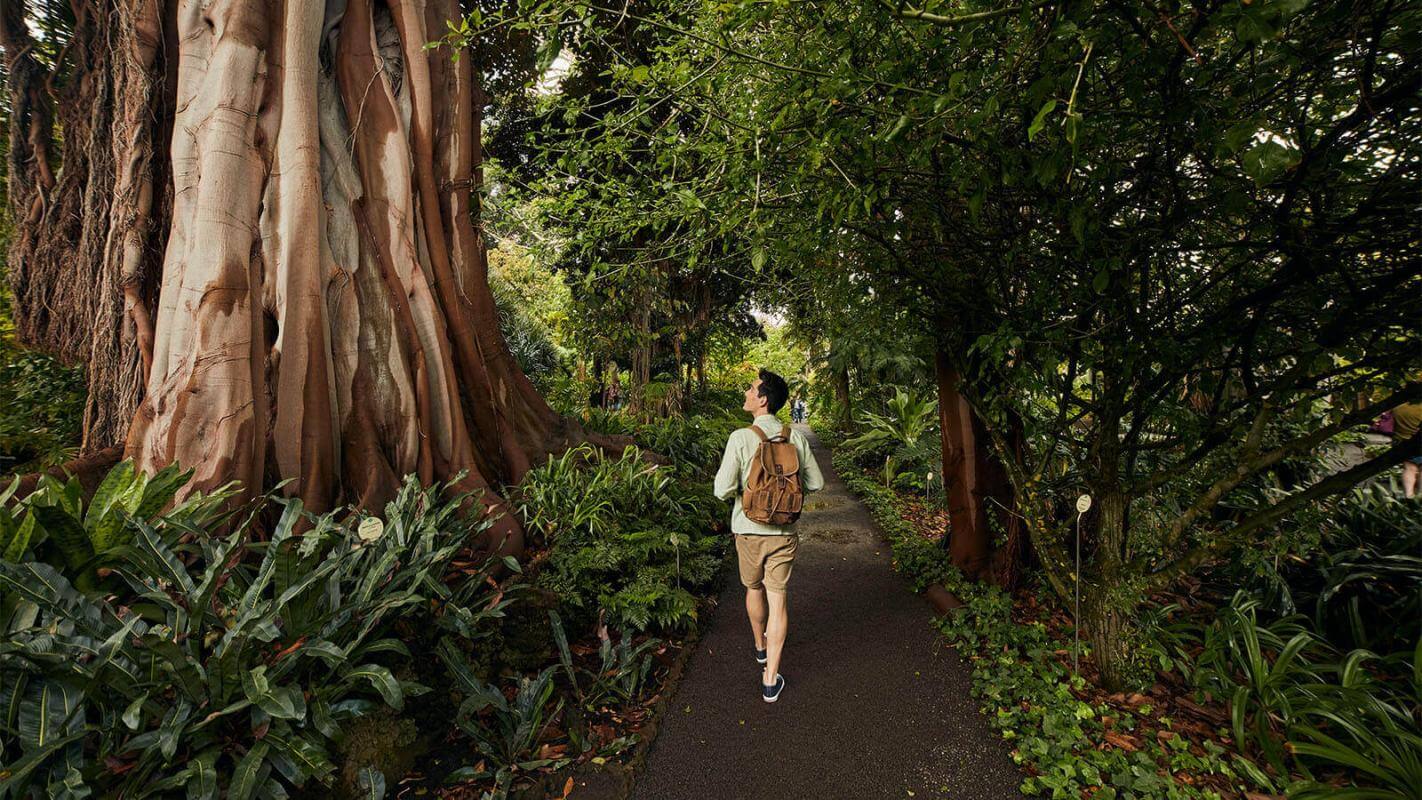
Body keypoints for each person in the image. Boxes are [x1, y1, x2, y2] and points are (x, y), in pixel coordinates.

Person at [713, 369, 824, 702]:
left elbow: (722, 489)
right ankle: (770, 679)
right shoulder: (795, 437)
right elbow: (816, 483)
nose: (746, 393)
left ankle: (760, 646)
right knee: (779, 598)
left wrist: (744, 492)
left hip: (748, 530)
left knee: (753, 587)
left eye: (751, 389)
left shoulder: (741, 437)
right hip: (784, 531)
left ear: (762, 399)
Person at [1393, 400, 1422, 498]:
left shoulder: (1399, 407)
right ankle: (1420, 496)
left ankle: (1409, 496)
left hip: (1402, 442)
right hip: (1419, 443)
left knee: (1409, 468)